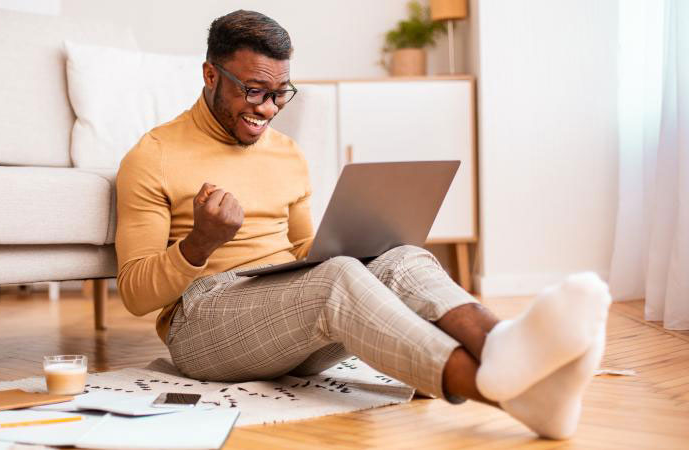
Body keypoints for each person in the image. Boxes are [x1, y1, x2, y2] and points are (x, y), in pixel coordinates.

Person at [115, 10, 610, 440]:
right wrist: (199, 244)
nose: (266, 109)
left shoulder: (287, 153)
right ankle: (505, 391)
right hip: (202, 326)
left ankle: (503, 346)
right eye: (252, 91)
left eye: (279, 93)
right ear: (209, 74)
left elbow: (308, 249)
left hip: (286, 314)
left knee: (403, 258)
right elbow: (136, 294)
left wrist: (368, 241)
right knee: (336, 280)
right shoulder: (153, 155)